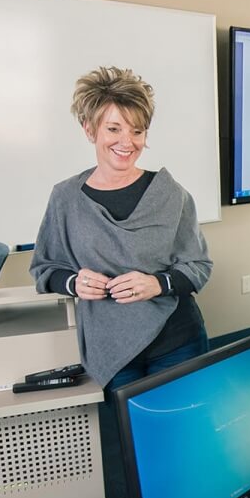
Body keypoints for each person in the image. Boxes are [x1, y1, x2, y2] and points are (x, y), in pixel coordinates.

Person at [30, 66, 212, 390]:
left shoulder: (170, 194)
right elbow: (46, 268)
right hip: (111, 347)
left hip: (178, 340)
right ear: (90, 130)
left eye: (137, 131)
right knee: (129, 437)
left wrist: (158, 284)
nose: (127, 142)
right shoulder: (66, 199)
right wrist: (75, 282)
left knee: (185, 433)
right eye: (114, 129)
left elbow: (198, 266)